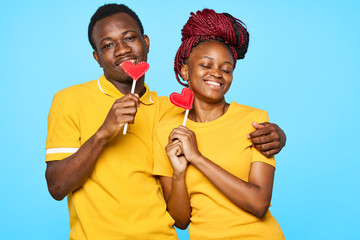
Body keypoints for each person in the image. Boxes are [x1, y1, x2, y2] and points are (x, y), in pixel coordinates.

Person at [45, 4, 286, 239]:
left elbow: (216, 111)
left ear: (146, 43)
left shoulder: (172, 111)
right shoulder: (70, 100)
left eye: (129, 38)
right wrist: (103, 133)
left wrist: (277, 135)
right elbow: (57, 187)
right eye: (108, 45)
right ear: (97, 57)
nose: (121, 50)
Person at [153, 9, 285, 239]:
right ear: (185, 69)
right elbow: (181, 221)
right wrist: (178, 173)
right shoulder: (166, 131)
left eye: (226, 69)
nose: (217, 74)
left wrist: (197, 158)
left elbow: (259, 203)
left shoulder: (254, 120)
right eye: (206, 65)